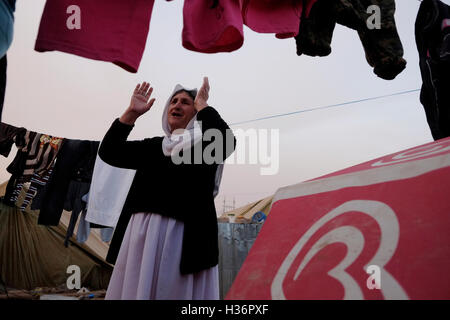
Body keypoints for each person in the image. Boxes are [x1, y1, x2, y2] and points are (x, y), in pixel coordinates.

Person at [100, 77, 236, 300]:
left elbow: (226, 142)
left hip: (184, 240)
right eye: (173, 101)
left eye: (185, 102)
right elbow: (110, 151)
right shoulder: (154, 146)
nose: (177, 105)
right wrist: (132, 113)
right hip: (142, 238)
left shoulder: (205, 146)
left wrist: (203, 106)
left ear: (196, 113)